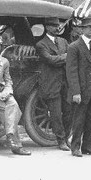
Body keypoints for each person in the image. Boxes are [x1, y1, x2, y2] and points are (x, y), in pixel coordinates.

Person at [66, 17, 91, 157]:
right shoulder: (74, 47)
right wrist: (76, 92)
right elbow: (71, 72)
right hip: (81, 90)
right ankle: (75, 147)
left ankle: (88, 147)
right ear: (82, 29)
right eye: (89, 27)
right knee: (79, 120)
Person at [35, 17, 71, 151]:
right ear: (47, 27)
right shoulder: (41, 44)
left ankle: (66, 138)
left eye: (58, 25)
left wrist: (64, 57)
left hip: (65, 82)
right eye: (54, 25)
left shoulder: (63, 41)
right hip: (51, 83)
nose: (58, 28)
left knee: (68, 111)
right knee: (55, 114)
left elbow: (70, 57)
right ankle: (60, 140)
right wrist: (66, 57)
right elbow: (51, 60)